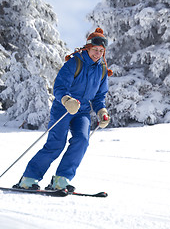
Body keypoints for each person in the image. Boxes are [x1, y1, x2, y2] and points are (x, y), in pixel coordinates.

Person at [15, 28, 112, 192]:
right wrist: (67, 100)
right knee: (56, 144)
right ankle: (28, 178)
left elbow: (99, 96)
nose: (97, 53)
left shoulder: (102, 70)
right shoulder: (75, 62)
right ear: (88, 48)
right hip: (63, 108)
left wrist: (102, 111)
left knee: (82, 140)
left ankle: (61, 179)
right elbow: (59, 87)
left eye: (101, 51)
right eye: (95, 49)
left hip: (82, 111)